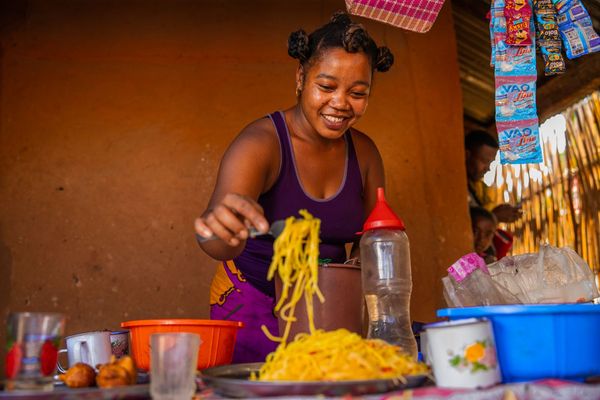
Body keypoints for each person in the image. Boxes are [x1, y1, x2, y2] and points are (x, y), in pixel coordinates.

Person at [194, 11, 394, 363]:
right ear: (301, 77)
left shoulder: (364, 154)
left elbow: (372, 240)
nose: (341, 103)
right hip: (252, 304)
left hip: (329, 309)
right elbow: (219, 243)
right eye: (327, 87)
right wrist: (220, 230)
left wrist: (352, 282)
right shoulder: (260, 144)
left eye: (358, 92)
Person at [465, 130, 522, 223]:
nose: (487, 169)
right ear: (466, 155)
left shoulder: (474, 189)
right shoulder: (454, 186)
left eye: (490, 163)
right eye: (484, 161)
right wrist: (494, 216)